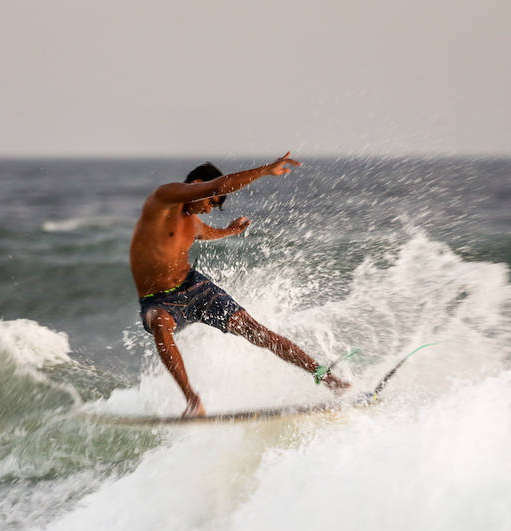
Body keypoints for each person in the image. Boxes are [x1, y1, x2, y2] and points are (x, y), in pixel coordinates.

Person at [129, 152, 350, 417]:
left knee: (257, 331)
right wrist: (266, 170)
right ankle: (192, 400)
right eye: (211, 201)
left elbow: (206, 232)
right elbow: (218, 185)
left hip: (195, 288)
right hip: (158, 300)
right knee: (160, 326)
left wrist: (229, 232)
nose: (210, 208)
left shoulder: (194, 222)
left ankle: (329, 379)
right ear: (198, 184)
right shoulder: (163, 199)